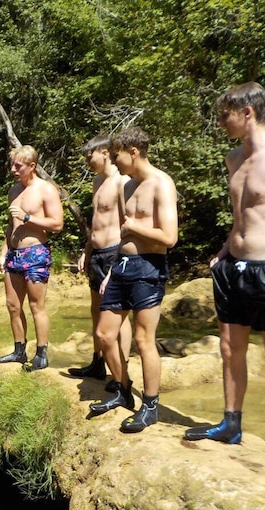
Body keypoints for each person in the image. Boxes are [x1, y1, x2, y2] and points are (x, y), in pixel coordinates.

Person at [183, 82, 265, 472]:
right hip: (233, 266)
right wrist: (225, 250)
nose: (220, 122)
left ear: (248, 112)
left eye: (225, 114)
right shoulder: (232, 157)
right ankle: (231, 423)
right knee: (229, 349)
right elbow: (241, 214)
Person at [89, 127, 178, 433]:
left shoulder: (161, 183)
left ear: (133, 151)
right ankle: (123, 388)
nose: (115, 162)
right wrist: (112, 269)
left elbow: (169, 237)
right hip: (122, 265)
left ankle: (150, 406)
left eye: (117, 155)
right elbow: (125, 233)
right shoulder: (127, 186)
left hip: (148, 267)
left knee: (142, 339)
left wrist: (134, 227)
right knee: (104, 334)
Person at [69, 136, 133, 392]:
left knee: (119, 315)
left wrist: (118, 258)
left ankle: (122, 370)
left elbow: (126, 224)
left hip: (113, 252)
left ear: (104, 152)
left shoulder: (122, 181)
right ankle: (98, 362)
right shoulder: (97, 182)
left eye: (89, 156)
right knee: (96, 309)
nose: (86, 161)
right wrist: (87, 250)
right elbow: (96, 222)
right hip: (96, 252)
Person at [0, 145, 64, 370]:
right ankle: (19, 351)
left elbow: (57, 224)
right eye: (12, 164)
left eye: (18, 165)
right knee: (13, 305)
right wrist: (3, 253)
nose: (13, 169)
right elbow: (10, 226)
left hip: (36, 253)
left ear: (32, 166)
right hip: (14, 253)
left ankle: (41, 353)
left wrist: (27, 217)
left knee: (36, 306)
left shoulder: (46, 189)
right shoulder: (13, 191)